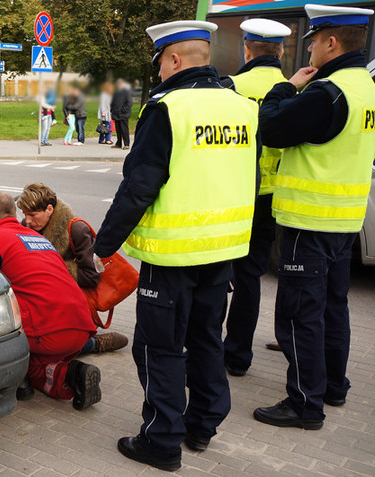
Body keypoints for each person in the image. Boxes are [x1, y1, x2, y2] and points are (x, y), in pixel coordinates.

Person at [94, 21, 260, 471]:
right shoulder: (242, 107)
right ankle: (202, 426)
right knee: (206, 340)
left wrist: (103, 245)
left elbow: (138, 187)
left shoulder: (168, 108)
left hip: (172, 259)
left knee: (158, 348)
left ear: (173, 59)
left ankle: (161, 441)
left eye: (160, 63)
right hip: (222, 253)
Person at [253, 4, 375, 431]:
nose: (308, 54)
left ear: (330, 42)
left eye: (312, 44)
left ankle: (305, 402)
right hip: (345, 221)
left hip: (310, 221)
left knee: (299, 312)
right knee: (332, 307)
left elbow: (271, 128)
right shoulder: (366, 88)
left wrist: (285, 88)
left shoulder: (328, 93)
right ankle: (333, 386)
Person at [0, 192, 101, 410]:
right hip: (81, 326)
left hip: (48, 331)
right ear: (15, 214)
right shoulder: (39, 239)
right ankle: (74, 373)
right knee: (37, 365)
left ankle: (63, 373)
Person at [219, 19, 292, 377]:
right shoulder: (294, 88)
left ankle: (206, 347)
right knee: (250, 277)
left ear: (246, 48)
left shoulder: (232, 86)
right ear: (280, 52)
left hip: (234, 194)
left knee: (217, 274)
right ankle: (238, 355)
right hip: (271, 197)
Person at [17, 183, 129, 354]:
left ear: (49, 209)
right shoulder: (26, 226)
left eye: (33, 215)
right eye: (25, 215)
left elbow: (91, 276)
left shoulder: (76, 229)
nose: (28, 221)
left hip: (71, 303)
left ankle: (96, 343)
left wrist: (54, 271)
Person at [111, 79, 133, 150]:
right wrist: (112, 110)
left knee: (124, 130)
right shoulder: (116, 92)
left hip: (123, 114)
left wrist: (124, 110)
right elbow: (113, 102)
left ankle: (126, 144)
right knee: (118, 130)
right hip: (116, 114)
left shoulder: (126, 92)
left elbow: (129, 102)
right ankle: (118, 143)